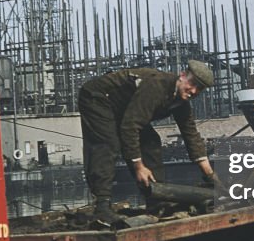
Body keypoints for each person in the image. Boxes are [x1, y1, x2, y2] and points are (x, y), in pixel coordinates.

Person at [79, 61, 214, 225]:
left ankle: (157, 201)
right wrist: (138, 167)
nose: (193, 91)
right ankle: (102, 207)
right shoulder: (156, 85)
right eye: (192, 84)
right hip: (98, 98)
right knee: (107, 145)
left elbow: (191, 135)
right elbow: (130, 127)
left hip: (123, 108)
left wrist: (211, 177)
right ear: (183, 75)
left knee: (151, 143)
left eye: (199, 89)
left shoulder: (181, 102)